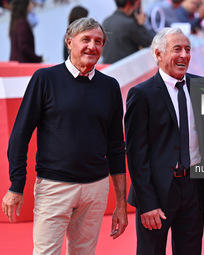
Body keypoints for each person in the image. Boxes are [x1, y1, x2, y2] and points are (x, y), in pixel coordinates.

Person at [2, 17, 128, 254]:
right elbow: (20, 134)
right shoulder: (45, 79)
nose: (92, 46)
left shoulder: (110, 86)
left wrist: (121, 203)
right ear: (69, 42)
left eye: (98, 41)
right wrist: (16, 185)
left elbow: (116, 146)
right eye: (86, 40)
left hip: (95, 189)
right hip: (54, 187)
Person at [125, 27, 204, 255]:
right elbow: (136, 155)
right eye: (177, 49)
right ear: (158, 54)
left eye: (188, 49)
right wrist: (147, 202)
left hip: (194, 187)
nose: (184, 55)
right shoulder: (142, 94)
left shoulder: (202, 87)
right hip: (158, 191)